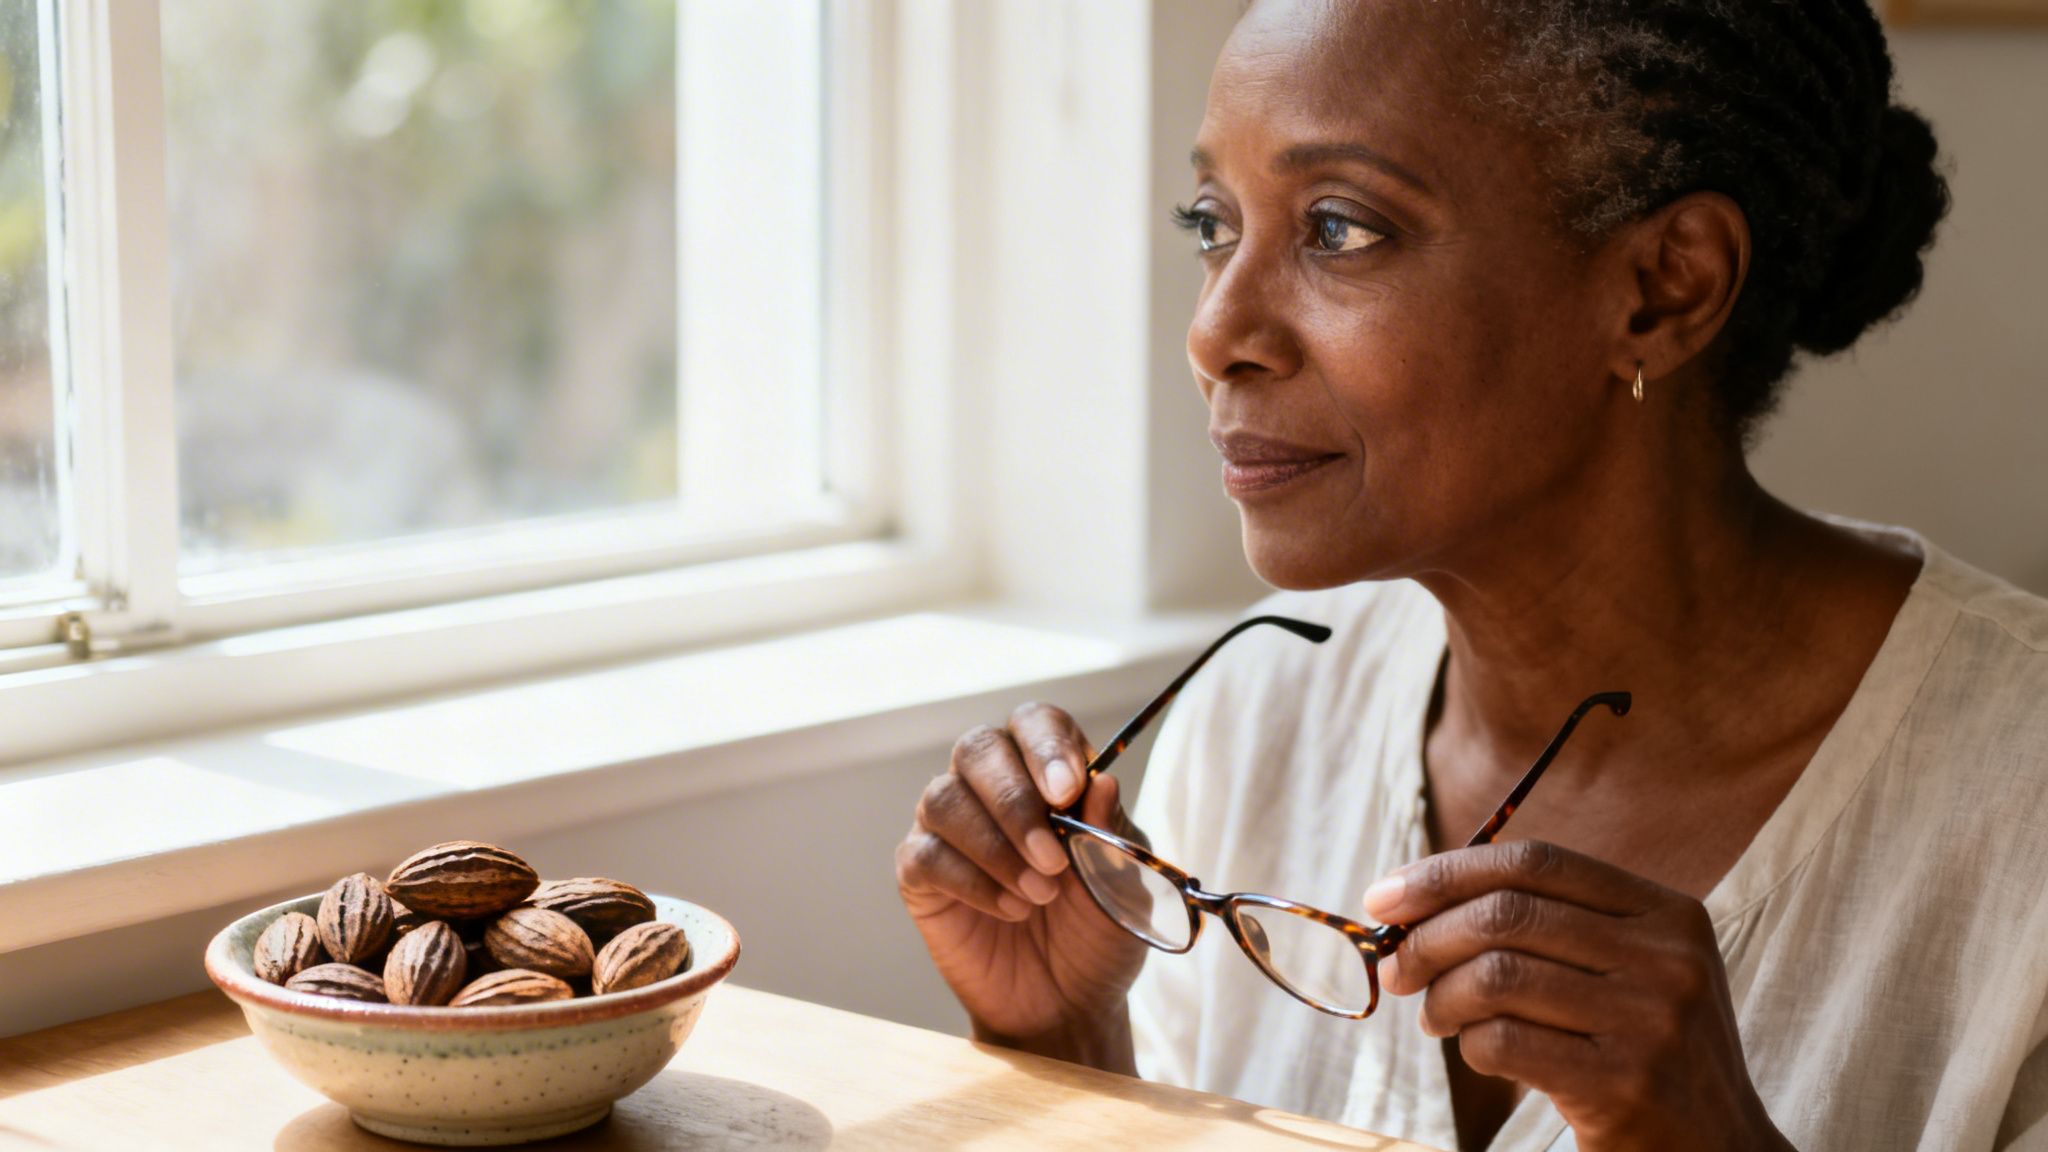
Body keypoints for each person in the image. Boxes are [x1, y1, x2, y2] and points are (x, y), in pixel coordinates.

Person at [896, 2, 2048, 1149]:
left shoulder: (2017, 816)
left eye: (1339, 228)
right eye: (1212, 221)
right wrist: (1071, 1049)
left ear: (1664, 287)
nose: (1215, 330)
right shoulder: (1268, 710)